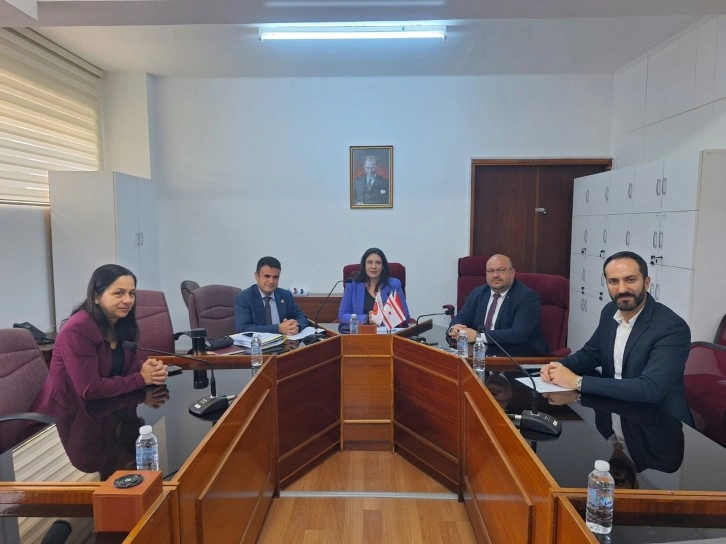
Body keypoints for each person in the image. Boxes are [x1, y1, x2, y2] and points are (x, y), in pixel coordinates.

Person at [540, 251, 693, 424]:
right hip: (617, 412)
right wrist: (558, 366)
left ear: (646, 282)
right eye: (613, 281)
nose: (622, 289)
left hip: (659, 423)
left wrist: (576, 381)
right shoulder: (610, 311)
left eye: (630, 280)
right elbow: (591, 354)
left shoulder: (671, 328)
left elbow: (649, 388)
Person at [31, 264, 168, 412]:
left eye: (132, 293)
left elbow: (125, 361)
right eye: (119, 293)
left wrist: (147, 369)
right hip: (67, 415)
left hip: (104, 408)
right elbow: (90, 389)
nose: (128, 300)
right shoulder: (78, 330)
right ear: (96, 297)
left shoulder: (119, 321)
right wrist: (141, 378)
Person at [448, 254, 547, 354]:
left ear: (512, 272)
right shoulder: (478, 293)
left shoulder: (527, 297)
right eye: (490, 271)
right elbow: (462, 316)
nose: (495, 275)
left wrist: (478, 336)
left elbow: (518, 334)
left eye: (501, 270)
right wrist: (455, 328)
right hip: (482, 352)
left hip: (519, 355)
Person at [234, 256, 309, 334]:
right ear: (257, 276)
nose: (271, 281)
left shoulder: (286, 295)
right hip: (257, 341)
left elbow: (302, 317)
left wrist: (295, 327)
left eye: (275, 277)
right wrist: (278, 328)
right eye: (267, 276)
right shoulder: (244, 298)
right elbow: (242, 328)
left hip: (285, 341)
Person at [338, 247, 410, 327]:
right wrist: (366, 319)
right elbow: (342, 315)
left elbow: (405, 316)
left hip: (387, 332)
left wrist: (382, 319)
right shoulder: (352, 285)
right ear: (364, 265)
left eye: (378, 263)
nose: (374, 266)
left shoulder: (394, 285)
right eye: (369, 262)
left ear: (383, 266)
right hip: (361, 331)